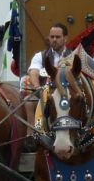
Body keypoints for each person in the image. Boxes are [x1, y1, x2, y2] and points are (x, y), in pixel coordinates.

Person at [23, 22, 71, 150]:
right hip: (45, 93)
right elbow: (33, 71)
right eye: (52, 37)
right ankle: (31, 136)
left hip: (67, 95)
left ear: (65, 38)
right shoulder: (40, 56)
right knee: (29, 101)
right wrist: (38, 87)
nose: (54, 40)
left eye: (57, 37)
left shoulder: (73, 56)